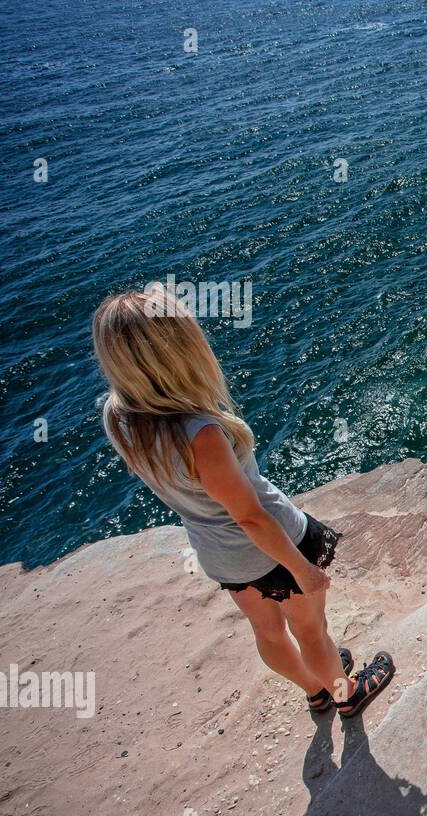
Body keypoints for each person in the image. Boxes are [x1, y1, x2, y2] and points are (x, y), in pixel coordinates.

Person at [90, 285, 393, 719]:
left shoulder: (118, 418)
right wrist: (301, 568)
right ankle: (346, 694)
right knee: (312, 631)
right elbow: (251, 517)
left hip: (220, 557)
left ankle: (317, 689)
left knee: (268, 635)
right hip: (274, 548)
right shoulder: (201, 434)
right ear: (179, 351)